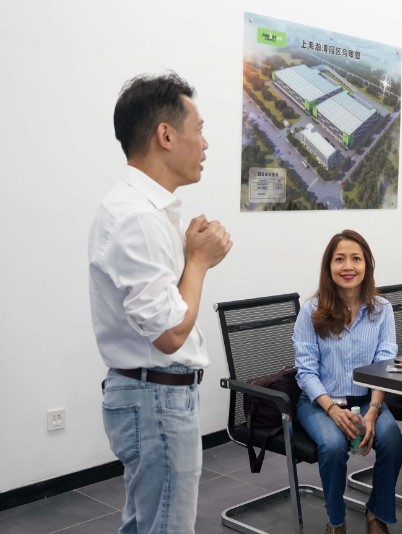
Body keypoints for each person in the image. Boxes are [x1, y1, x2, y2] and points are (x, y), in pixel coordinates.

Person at [89, 72, 233, 533]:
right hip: (156, 399)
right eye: (200, 130)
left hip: (151, 396)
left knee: (145, 523)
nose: (205, 144)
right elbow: (170, 333)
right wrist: (200, 261)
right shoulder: (137, 218)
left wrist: (189, 255)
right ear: (166, 135)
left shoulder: (140, 210)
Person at [294, 230, 402, 534]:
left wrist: (374, 410)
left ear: (366, 264)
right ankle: (336, 522)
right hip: (320, 402)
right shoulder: (310, 311)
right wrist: (332, 410)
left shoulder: (382, 309)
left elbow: (385, 364)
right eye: (339, 259)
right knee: (332, 446)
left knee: (392, 441)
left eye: (356, 258)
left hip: (368, 399)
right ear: (328, 266)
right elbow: (305, 372)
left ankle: (377, 512)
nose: (348, 266)